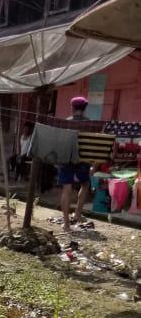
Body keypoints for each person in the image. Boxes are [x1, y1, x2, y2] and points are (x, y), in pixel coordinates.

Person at [59, 96, 91, 232]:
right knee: (85, 184)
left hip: (67, 160)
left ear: (72, 108)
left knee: (67, 189)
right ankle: (77, 214)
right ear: (84, 109)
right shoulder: (90, 124)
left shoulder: (66, 123)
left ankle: (66, 224)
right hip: (83, 162)